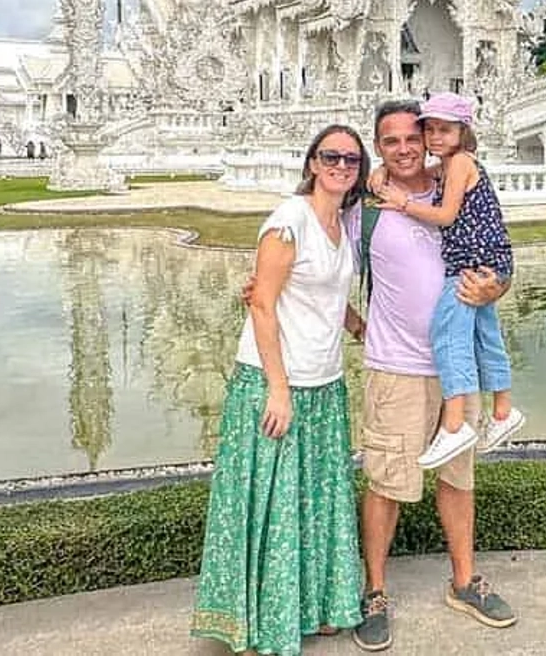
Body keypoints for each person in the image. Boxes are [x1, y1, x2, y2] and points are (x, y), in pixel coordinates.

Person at [191, 124, 370, 655]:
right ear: (312, 162)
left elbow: (328, 297)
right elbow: (262, 303)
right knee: (272, 502)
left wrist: (363, 328)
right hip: (277, 383)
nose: (341, 165)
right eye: (331, 156)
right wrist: (277, 389)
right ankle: (259, 620)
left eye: (351, 160)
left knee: (314, 499)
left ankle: (313, 605)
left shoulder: (342, 222)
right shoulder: (288, 220)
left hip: (324, 381)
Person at [350, 99, 517, 653]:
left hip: (457, 371)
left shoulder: (458, 188)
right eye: (390, 140)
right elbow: (320, 270)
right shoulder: (367, 207)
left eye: (411, 138)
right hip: (396, 368)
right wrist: (356, 325)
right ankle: (374, 590)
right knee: (386, 482)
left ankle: (465, 581)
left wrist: (496, 287)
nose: (402, 148)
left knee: (457, 479)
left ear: (429, 138)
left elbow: (496, 263)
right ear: (379, 146)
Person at [373, 92, 525, 469]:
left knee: (448, 336)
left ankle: (455, 424)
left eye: (445, 130)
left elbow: (446, 215)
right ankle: (503, 411)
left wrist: (402, 203)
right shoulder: (449, 165)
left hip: (471, 266)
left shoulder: (458, 163)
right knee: (484, 337)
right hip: (488, 261)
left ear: (463, 132)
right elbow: (406, 174)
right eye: (431, 130)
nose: (436, 137)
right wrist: (379, 174)